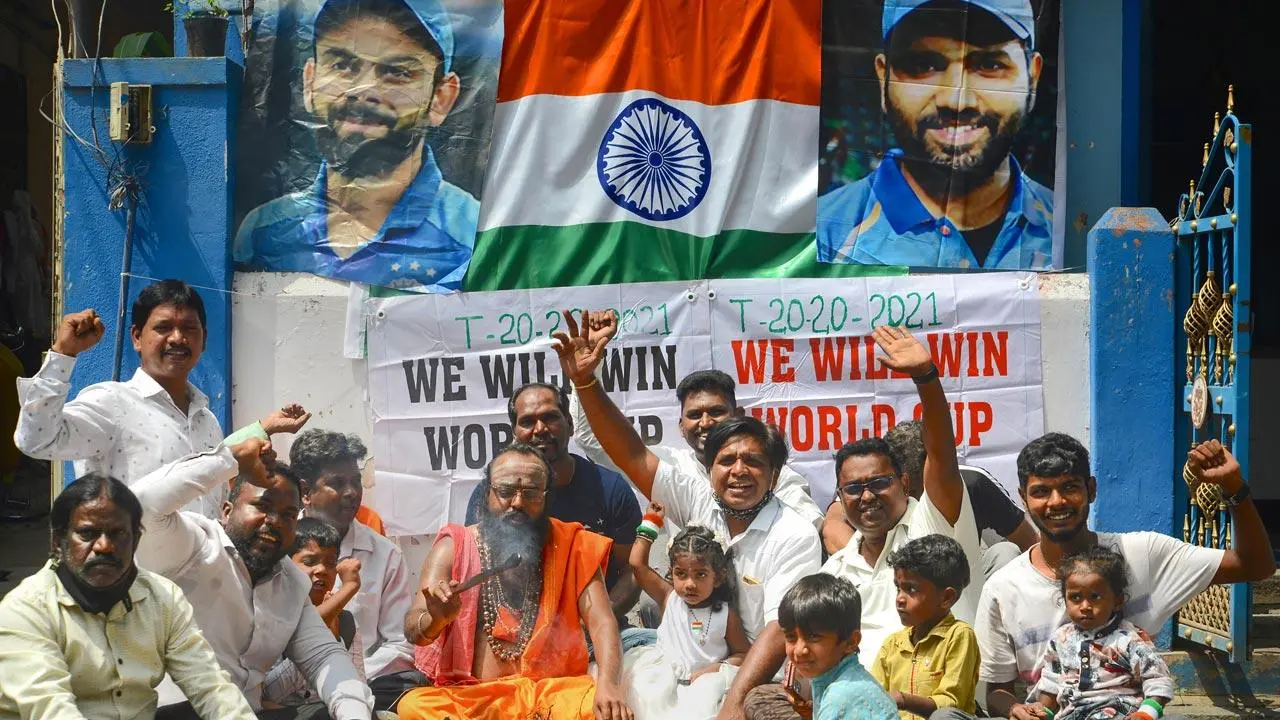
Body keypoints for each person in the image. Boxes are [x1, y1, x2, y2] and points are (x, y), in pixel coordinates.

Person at [553, 309, 822, 720]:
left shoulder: (795, 532)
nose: (738, 471)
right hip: (686, 665)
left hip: (760, 678)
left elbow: (777, 632)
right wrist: (586, 382)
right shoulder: (698, 498)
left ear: (774, 473)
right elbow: (630, 453)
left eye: (752, 461)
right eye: (726, 460)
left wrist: (732, 704)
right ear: (708, 468)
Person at [938, 435, 1275, 720]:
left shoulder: (1142, 554)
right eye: (1041, 492)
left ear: (1092, 489)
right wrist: (1015, 708)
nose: (1056, 502)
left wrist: (1235, 490)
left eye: (1070, 487)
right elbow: (997, 690)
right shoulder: (1003, 587)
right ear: (1023, 498)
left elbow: (1255, 565)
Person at [234, 0, 479, 292]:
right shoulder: (262, 233)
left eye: (397, 72)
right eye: (342, 65)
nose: (364, 91)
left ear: (441, 97)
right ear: (310, 82)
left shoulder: (474, 233)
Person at [14, 279, 311, 518]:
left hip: (196, 585)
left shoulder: (204, 419)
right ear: (136, 337)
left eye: (189, 328)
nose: (178, 338)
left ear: (203, 339)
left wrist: (263, 429)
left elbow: (210, 465)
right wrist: (63, 354)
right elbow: (36, 440)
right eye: (163, 327)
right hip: (135, 585)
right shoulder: (111, 403)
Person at [132, 449, 376, 720]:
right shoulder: (192, 545)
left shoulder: (290, 582)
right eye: (262, 506)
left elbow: (324, 657)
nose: (274, 522)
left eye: (288, 515)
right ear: (226, 511)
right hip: (174, 711)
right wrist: (230, 459)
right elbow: (140, 505)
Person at [398, 443, 632, 720]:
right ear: (487, 495)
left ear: (546, 498)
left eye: (531, 493)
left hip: (546, 699)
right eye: (506, 492)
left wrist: (608, 684)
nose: (518, 503)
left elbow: (602, 621)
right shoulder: (454, 547)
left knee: (596, 703)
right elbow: (414, 629)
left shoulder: (574, 546)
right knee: (414, 706)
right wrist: (436, 620)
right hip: (475, 699)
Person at [816, 0, 1053, 270]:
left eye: (990, 65)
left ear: (1032, 79)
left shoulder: (1069, 229)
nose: (956, 100)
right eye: (923, 66)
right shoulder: (822, 234)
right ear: (883, 80)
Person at [0, 474, 257, 719]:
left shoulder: (164, 598)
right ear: (58, 542)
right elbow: (50, 710)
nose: (104, 546)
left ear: (136, 540)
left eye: (118, 533)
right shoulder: (25, 610)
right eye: (87, 534)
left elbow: (210, 687)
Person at [818, 326, 980, 664]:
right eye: (853, 488)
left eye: (878, 483)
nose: (866, 497)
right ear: (839, 497)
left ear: (905, 483)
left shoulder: (932, 525)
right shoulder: (834, 570)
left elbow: (942, 458)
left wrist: (925, 378)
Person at [465, 382, 643, 620]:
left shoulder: (610, 489)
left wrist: (598, 621)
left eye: (550, 417)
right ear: (514, 432)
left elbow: (633, 570)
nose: (540, 429)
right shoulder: (492, 494)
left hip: (595, 631)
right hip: (510, 633)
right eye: (527, 421)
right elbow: (476, 566)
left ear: (569, 424)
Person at [574, 367, 825, 531]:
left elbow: (813, 527)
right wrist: (584, 376)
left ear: (738, 416)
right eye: (695, 415)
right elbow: (592, 440)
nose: (706, 423)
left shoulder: (774, 476)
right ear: (682, 426)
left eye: (716, 411)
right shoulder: (677, 475)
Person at [291, 429, 417, 703]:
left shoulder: (386, 555)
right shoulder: (278, 548)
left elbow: (399, 644)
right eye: (337, 483)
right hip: (287, 693)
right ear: (305, 492)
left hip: (365, 689)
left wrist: (347, 677)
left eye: (356, 481)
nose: (351, 492)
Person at [823, 419, 1038, 579]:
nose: (910, 500)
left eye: (916, 490)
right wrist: (875, 564)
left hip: (970, 573)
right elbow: (833, 526)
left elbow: (1030, 543)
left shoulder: (973, 484)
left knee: (1006, 553)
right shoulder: (866, 486)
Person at [623, 505, 749, 719]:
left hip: (703, 685)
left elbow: (743, 654)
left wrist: (715, 669)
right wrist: (651, 522)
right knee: (642, 694)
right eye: (681, 574)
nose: (689, 584)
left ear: (717, 577)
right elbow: (637, 563)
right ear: (671, 572)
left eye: (700, 575)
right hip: (661, 676)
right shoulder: (668, 597)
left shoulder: (725, 615)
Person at [1034, 546, 1176, 720]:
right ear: (1065, 599)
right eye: (1075, 597)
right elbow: (1051, 682)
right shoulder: (1060, 639)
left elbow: (1157, 678)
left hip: (1117, 711)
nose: (1085, 606)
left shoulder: (1130, 639)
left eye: (1095, 597)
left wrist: (1146, 714)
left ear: (1117, 601)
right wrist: (1042, 712)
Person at [871, 534, 979, 719]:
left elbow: (951, 703)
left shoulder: (959, 635)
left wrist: (903, 700)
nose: (900, 599)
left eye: (911, 589)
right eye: (898, 588)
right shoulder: (892, 644)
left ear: (946, 598)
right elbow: (873, 697)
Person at [263, 518, 368, 709]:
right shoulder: (273, 616)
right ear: (285, 564)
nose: (321, 570)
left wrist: (336, 641)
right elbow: (267, 694)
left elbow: (357, 685)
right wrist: (319, 641)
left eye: (330, 563)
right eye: (309, 561)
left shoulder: (345, 621)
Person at [769, 574, 898, 720]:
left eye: (813, 637)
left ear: (850, 642)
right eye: (791, 637)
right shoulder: (837, 678)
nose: (799, 650)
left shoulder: (841, 696)